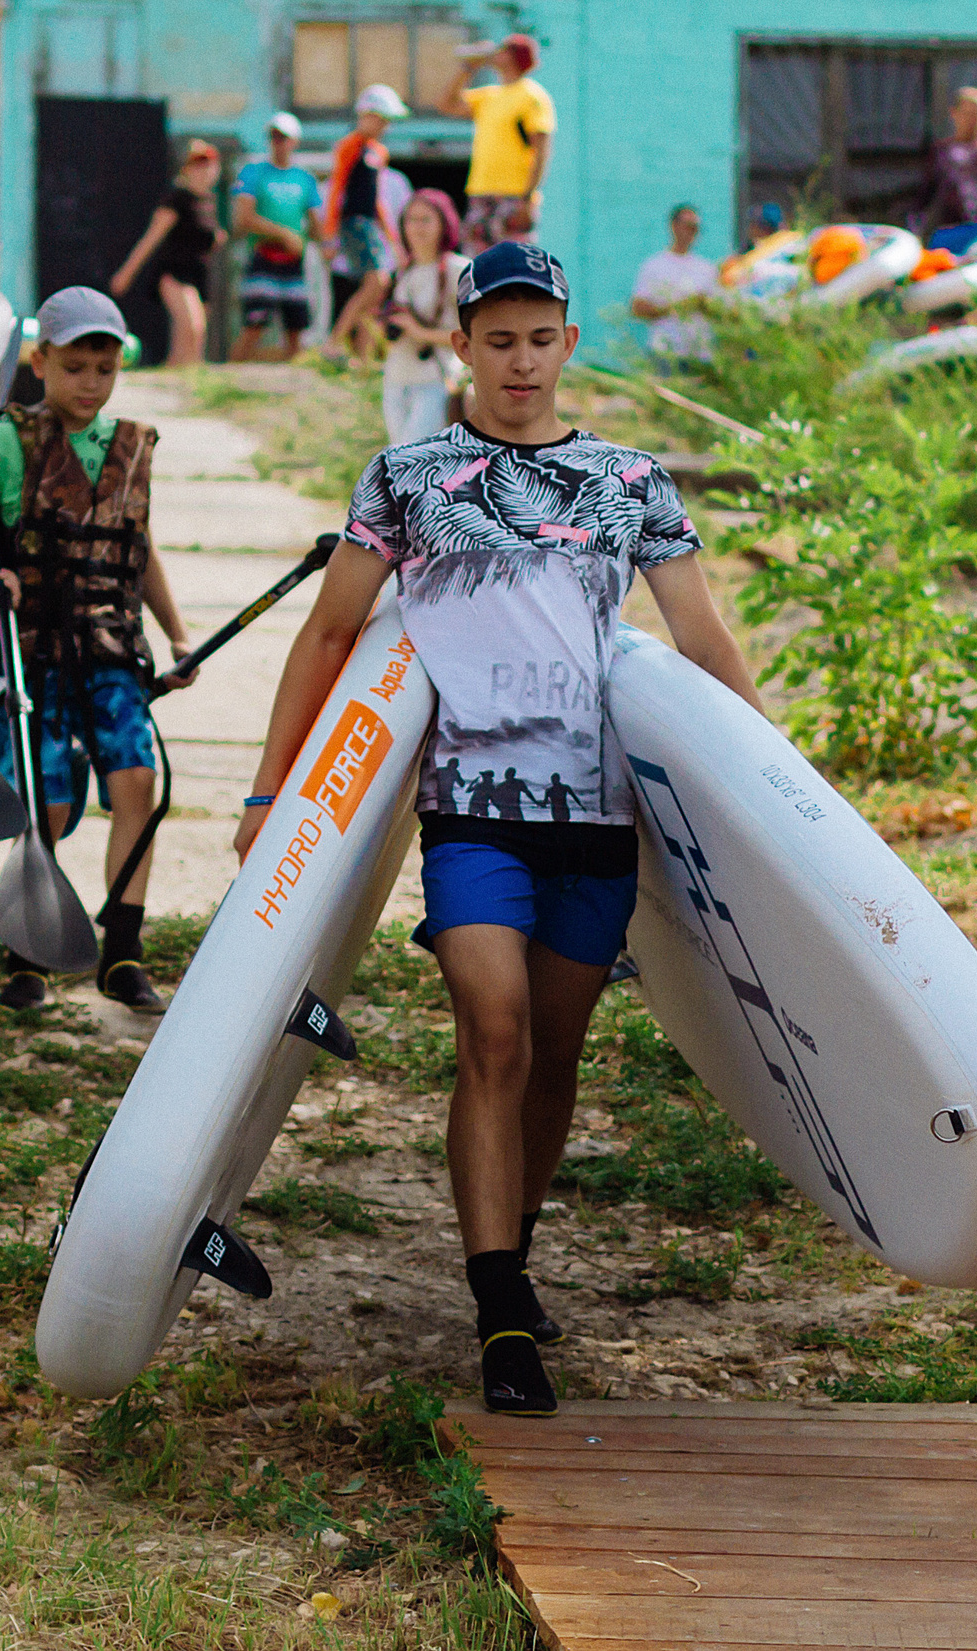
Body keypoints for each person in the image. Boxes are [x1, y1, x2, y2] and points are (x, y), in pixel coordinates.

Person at [234, 242, 760, 1415]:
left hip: (597, 817)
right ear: (461, 345)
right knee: (496, 1027)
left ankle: (511, 1251)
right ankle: (498, 1306)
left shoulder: (631, 483)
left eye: (540, 339)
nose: (519, 361)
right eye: (497, 339)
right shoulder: (408, 476)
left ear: (569, 344)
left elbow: (702, 643)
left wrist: (781, 804)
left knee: (555, 1055)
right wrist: (273, 792)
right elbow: (328, 636)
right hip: (470, 811)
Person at [0, 287, 197, 1013]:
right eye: (75, 366)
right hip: (33, 650)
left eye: (104, 368)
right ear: (40, 361)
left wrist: (177, 633)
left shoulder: (129, 445)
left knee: (138, 787)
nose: (90, 383)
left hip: (113, 645)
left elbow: (138, 550)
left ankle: (122, 947)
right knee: (48, 804)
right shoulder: (2, 441)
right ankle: (28, 950)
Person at [108, 139, 225, 367]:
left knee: (194, 338)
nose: (203, 171)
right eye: (197, 165)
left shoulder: (208, 203)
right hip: (174, 274)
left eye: (208, 164)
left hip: (198, 276)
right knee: (191, 326)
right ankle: (172, 382)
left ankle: (183, 384)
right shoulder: (176, 200)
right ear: (187, 170)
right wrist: (126, 274)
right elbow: (151, 239)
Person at [438, 35, 555, 253]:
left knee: (513, 261)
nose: (495, 54)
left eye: (502, 50)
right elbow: (447, 104)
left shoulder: (532, 96)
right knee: (478, 261)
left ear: (512, 56)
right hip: (482, 192)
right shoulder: (490, 96)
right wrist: (467, 68)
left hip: (514, 193)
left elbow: (541, 150)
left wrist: (528, 197)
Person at [325, 83, 410, 362]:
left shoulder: (378, 152)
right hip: (354, 224)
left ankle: (362, 356)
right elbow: (337, 188)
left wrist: (394, 241)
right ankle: (335, 342)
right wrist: (330, 235)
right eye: (381, 119)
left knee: (374, 290)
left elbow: (379, 201)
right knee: (377, 282)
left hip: (370, 226)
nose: (384, 126)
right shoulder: (349, 146)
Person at [231, 112, 325, 361]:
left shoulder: (305, 179)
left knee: (296, 332)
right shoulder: (253, 172)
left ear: (295, 141)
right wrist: (284, 234)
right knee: (253, 327)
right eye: (273, 136)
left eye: (283, 137)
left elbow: (317, 225)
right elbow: (243, 218)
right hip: (263, 257)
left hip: (294, 263)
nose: (278, 142)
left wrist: (327, 242)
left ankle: (294, 389)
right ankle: (230, 379)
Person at [380, 188, 467, 447]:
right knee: (402, 463)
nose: (417, 228)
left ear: (444, 223)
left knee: (413, 460)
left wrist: (420, 333)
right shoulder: (400, 271)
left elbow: (475, 337)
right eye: (410, 220)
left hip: (435, 380)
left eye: (426, 220)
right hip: (395, 379)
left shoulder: (459, 270)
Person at [916, 87, 977, 242]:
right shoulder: (941, 151)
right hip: (947, 229)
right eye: (967, 114)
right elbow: (926, 193)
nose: (972, 121)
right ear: (954, 113)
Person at [629, 203, 721, 361]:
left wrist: (705, 305)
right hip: (666, 352)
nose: (692, 232)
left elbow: (718, 309)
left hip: (699, 353)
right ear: (674, 226)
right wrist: (676, 307)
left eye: (695, 228)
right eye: (687, 226)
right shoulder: (655, 265)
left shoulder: (707, 268)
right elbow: (638, 308)